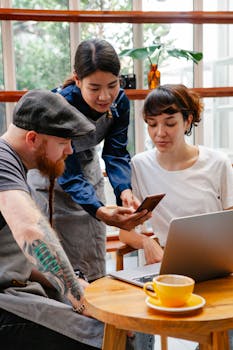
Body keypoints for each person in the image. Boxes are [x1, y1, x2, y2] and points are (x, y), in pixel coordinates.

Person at [27, 38, 149, 282]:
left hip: (88, 172)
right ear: (77, 79)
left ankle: (94, 314)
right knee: (56, 264)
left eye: (112, 85)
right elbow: (69, 173)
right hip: (53, 174)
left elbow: (115, 152)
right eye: (94, 88)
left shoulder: (120, 102)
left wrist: (123, 189)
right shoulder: (59, 105)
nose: (105, 96)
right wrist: (99, 210)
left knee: (92, 261)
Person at [0, 89, 105, 349]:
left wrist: (75, 283)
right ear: (33, 138)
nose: (70, 150)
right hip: (5, 302)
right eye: (63, 142)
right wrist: (80, 299)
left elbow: (21, 258)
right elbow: (31, 232)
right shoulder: (2, 162)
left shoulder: (11, 163)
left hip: (15, 292)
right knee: (106, 332)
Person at [119, 84, 233, 265]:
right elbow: (125, 231)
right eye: (152, 124)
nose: (159, 133)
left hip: (215, 262)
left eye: (170, 123)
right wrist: (146, 242)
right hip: (166, 265)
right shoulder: (140, 166)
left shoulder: (217, 162)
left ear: (187, 120)